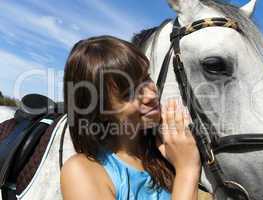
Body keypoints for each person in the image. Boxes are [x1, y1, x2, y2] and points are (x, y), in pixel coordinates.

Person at [60, 35, 202, 200]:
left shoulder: (167, 148)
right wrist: (187, 169)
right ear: (100, 112)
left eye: (146, 78)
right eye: (128, 93)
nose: (150, 94)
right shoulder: (82, 171)